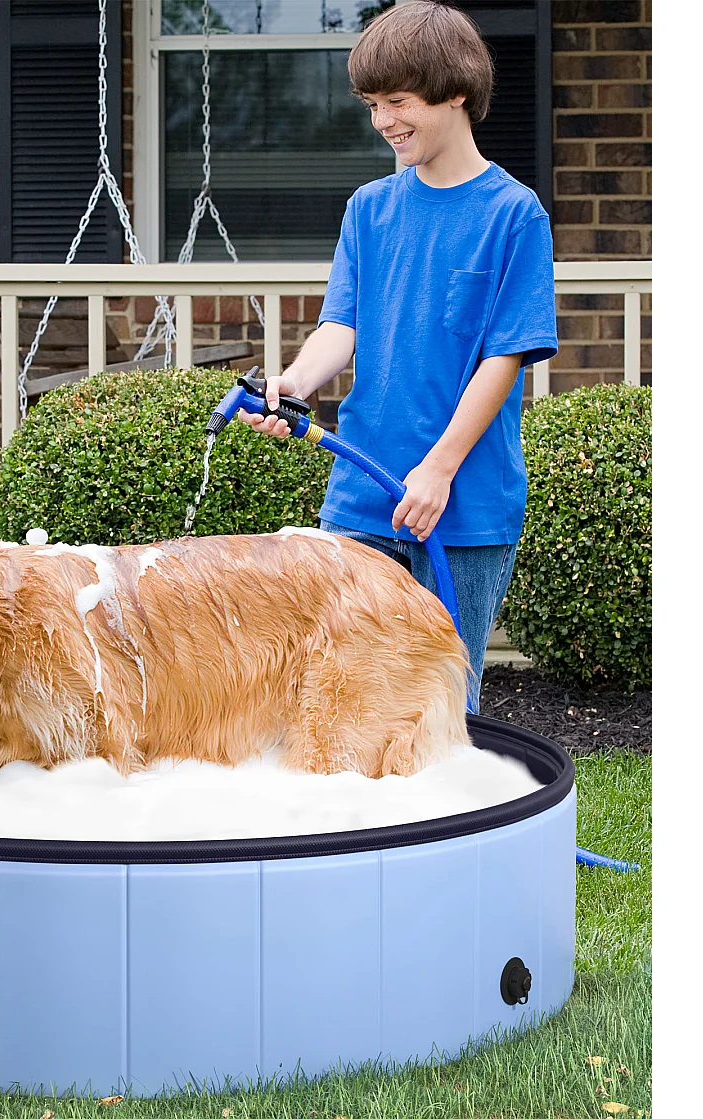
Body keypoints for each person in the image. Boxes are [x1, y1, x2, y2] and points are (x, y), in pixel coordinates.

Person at [239, 0, 557, 696]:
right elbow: (341, 326)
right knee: (344, 692)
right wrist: (293, 382)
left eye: (398, 101)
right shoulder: (369, 210)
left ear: (457, 93)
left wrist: (439, 469)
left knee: (441, 703)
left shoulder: (513, 215)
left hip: (464, 505)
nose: (382, 120)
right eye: (370, 104)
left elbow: (503, 360)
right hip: (362, 495)